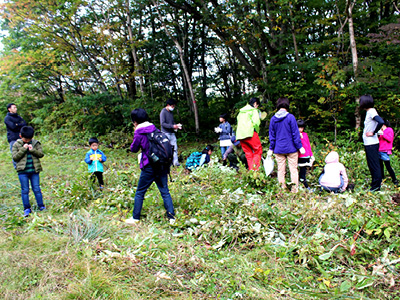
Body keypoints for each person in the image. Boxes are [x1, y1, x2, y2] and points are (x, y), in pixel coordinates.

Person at [125, 108, 175, 224]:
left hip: (149, 166)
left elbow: (134, 149)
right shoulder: (154, 128)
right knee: (165, 191)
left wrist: (135, 132)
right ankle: (171, 217)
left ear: (135, 121)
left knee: (140, 192)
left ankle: (135, 218)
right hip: (162, 165)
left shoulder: (139, 131)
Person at [268, 97, 304, 193]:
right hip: (291, 148)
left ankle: (282, 190)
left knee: (280, 170)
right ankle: (294, 190)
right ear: (287, 105)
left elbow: (272, 135)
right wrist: (300, 146)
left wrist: (271, 148)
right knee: (293, 170)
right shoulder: (290, 117)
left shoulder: (273, 119)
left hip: (278, 149)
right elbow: (295, 134)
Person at [12, 126, 45, 217]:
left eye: (29, 139)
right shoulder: (16, 144)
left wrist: (32, 150)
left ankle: (41, 206)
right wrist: (23, 149)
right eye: (25, 139)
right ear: (20, 136)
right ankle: (27, 208)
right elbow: (15, 157)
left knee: (36, 188)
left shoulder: (35, 143)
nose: (27, 141)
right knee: (25, 190)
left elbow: (41, 154)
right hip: (22, 172)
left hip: (34, 171)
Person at [360, 95, 384, 191]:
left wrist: (373, 132)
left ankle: (376, 187)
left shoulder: (371, 111)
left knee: (374, 164)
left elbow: (381, 121)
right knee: (372, 164)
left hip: (371, 143)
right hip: (369, 143)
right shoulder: (369, 112)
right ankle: (374, 184)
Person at [236, 98, 263, 170]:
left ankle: (251, 171)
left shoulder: (241, 112)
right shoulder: (254, 110)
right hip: (250, 133)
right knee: (258, 151)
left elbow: (238, 121)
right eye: (257, 105)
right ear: (255, 103)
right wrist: (257, 131)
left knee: (248, 154)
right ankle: (255, 171)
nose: (257, 107)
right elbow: (256, 122)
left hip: (240, 135)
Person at [160, 99, 182, 166]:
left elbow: (172, 122)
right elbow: (163, 123)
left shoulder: (171, 113)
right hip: (165, 133)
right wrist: (172, 126)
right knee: (166, 149)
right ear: (168, 105)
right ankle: (167, 163)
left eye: (174, 106)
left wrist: (177, 126)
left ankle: (175, 162)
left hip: (172, 133)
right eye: (172, 106)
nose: (173, 108)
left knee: (175, 148)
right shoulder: (163, 112)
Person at [4, 103, 27, 168]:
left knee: (23, 151)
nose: (16, 109)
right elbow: (13, 127)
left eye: (16, 107)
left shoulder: (18, 116)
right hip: (13, 138)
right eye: (14, 107)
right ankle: (16, 167)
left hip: (21, 137)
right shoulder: (7, 118)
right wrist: (19, 125)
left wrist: (17, 125)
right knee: (15, 153)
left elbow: (24, 123)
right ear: (9, 109)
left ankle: (24, 165)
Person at [378, 119, 398, 186]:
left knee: (388, 166)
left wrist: (383, 133)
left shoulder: (389, 130)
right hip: (379, 150)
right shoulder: (380, 131)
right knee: (380, 166)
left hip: (385, 150)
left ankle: (394, 180)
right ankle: (382, 178)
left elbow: (390, 139)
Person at [297, 120, 314, 190]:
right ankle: (304, 185)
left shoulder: (305, 134)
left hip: (306, 155)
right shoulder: (295, 135)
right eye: (299, 127)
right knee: (301, 171)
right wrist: (299, 137)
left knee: (304, 171)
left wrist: (311, 154)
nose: (301, 129)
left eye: (302, 127)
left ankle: (303, 184)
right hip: (300, 156)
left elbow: (308, 145)